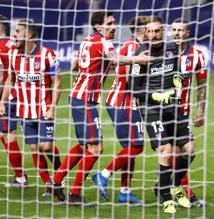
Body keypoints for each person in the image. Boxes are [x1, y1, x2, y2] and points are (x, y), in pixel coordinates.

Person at [47, 11, 152, 206]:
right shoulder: (104, 42)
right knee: (96, 148)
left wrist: (98, 67)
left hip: (77, 96)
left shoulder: (87, 40)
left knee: (84, 145)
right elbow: (115, 58)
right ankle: (75, 193)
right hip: (85, 99)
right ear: (98, 27)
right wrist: (138, 60)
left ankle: (56, 181)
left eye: (114, 23)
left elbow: (74, 64)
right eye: (109, 24)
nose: (113, 27)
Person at [129, 16, 193, 214]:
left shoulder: (172, 49)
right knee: (165, 150)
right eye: (150, 31)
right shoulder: (141, 54)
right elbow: (133, 88)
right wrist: (156, 95)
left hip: (172, 106)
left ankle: (174, 186)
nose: (154, 35)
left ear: (162, 30)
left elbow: (174, 73)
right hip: (151, 109)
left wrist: (177, 83)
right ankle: (166, 197)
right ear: (145, 33)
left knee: (189, 150)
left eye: (157, 31)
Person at [91, 16, 149, 204]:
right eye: (151, 28)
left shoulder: (139, 46)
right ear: (143, 29)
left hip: (126, 101)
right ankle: (103, 175)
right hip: (122, 101)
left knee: (129, 148)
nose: (156, 33)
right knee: (137, 146)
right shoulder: (133, 47)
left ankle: (125, 192)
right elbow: (128, 79)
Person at [0, 19, 61, 194]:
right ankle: (51, 185)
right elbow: (10, 80)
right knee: (35, 149)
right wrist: (2, 101)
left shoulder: (48, 54)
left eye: (18, 31)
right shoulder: (13, 55)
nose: (14, 34)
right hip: (24, 110)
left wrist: (52, 107)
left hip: (44, 108)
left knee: (46, 147)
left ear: (28, 35)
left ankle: (60, 173)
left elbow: (57, 82)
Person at [169, 18, 207, 207]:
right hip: (160, 111)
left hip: (182, 112)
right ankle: (183, 192)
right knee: (172, 153)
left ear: (187, 33)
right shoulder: (162, 52)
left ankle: (168, 187)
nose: (176, 33)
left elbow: (202, 86)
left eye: (180, 30)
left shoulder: (197, 56)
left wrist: (200, 112)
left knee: (187, 151)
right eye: (173, 30)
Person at [0, 15, 27, 188]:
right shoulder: (12, 44)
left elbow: (4, 74)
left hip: (7, 95)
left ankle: (20, 178)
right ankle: (20, 176)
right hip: (18, 94)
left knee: (8, 135)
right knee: (4, 134)